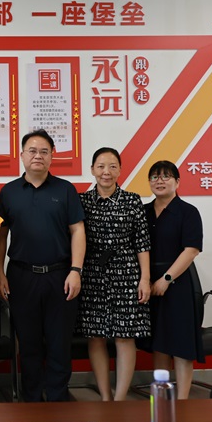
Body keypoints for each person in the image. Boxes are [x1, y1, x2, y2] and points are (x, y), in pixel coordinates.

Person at [0, 129, 85, 402]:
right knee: (28, 341)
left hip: (60, 275)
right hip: (21, 276)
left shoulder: (65, 190)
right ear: (22, 155)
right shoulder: (8, 192)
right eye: (32, 151)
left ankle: (58, 397)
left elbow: (78, 231)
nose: (38, 156)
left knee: (59, 341)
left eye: (44, 151)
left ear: (52, 156)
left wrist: (76, 270)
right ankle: (32, 398)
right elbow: (0, 237)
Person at [77, 147, 151, 401]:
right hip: (92, 274)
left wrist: (144, 279)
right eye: (100, 166)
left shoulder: (132, 201)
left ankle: (119, 399)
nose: (106, 172)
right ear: (92, 170)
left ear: (120, 170)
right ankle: (105, 396)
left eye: (112, 166)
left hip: (126, 274)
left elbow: (142, 243)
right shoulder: (82, 202)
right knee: (95, 336)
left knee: (124, 336)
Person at [142, 160, 204, 400]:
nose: (160, 181)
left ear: (177, 182)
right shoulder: (143, 212)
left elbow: (191, 250)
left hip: (177, 284)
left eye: (166, 176)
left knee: (180, 344)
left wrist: (166, 279)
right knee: (159, 343)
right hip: (148, 284)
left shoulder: (188, 212)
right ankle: (161, 395)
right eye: (155, 177)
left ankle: (183, 400)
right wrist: (147, 280)